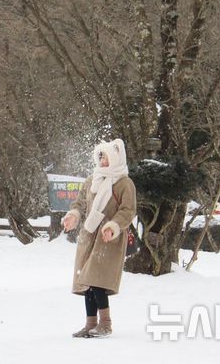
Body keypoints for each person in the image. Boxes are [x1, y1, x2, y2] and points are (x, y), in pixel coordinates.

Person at [62, 139, 137, 339]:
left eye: (106, 156)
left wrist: (113, 226)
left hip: (108, 238)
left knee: (97, 280)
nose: (102, 160)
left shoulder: (123, 183)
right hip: (89, 235)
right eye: (100, 156)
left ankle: (105, 324)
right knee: (86, 280)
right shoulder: (92, 180)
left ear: (115, 157)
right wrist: (72, 216)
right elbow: (79, 204)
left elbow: (128, 210)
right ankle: (90, 324)